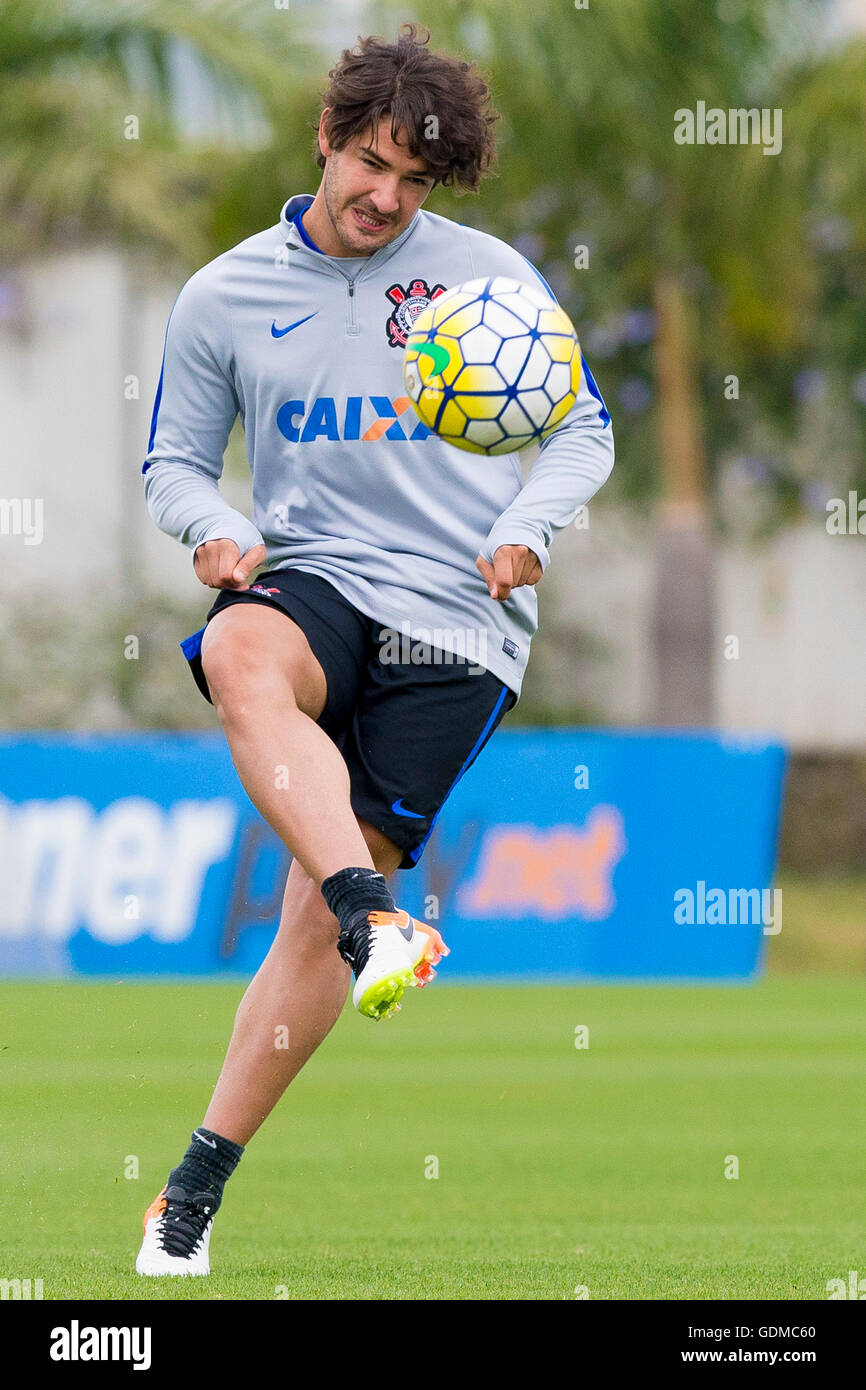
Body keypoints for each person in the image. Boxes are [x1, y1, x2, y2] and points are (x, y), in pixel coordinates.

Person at [136, 22, 614, 1276]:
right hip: (314, 581)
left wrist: (525, 527)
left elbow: (581, 431)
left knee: (302, 923)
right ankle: (376, 920)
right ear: (328, 138)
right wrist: (217, 525)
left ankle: (189, 1187)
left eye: (416, 183)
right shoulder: (224, 295)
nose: (388, 201)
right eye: (374, 167)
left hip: (458, 620)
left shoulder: (485, 280)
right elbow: (174, 463)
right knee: (240, 651)